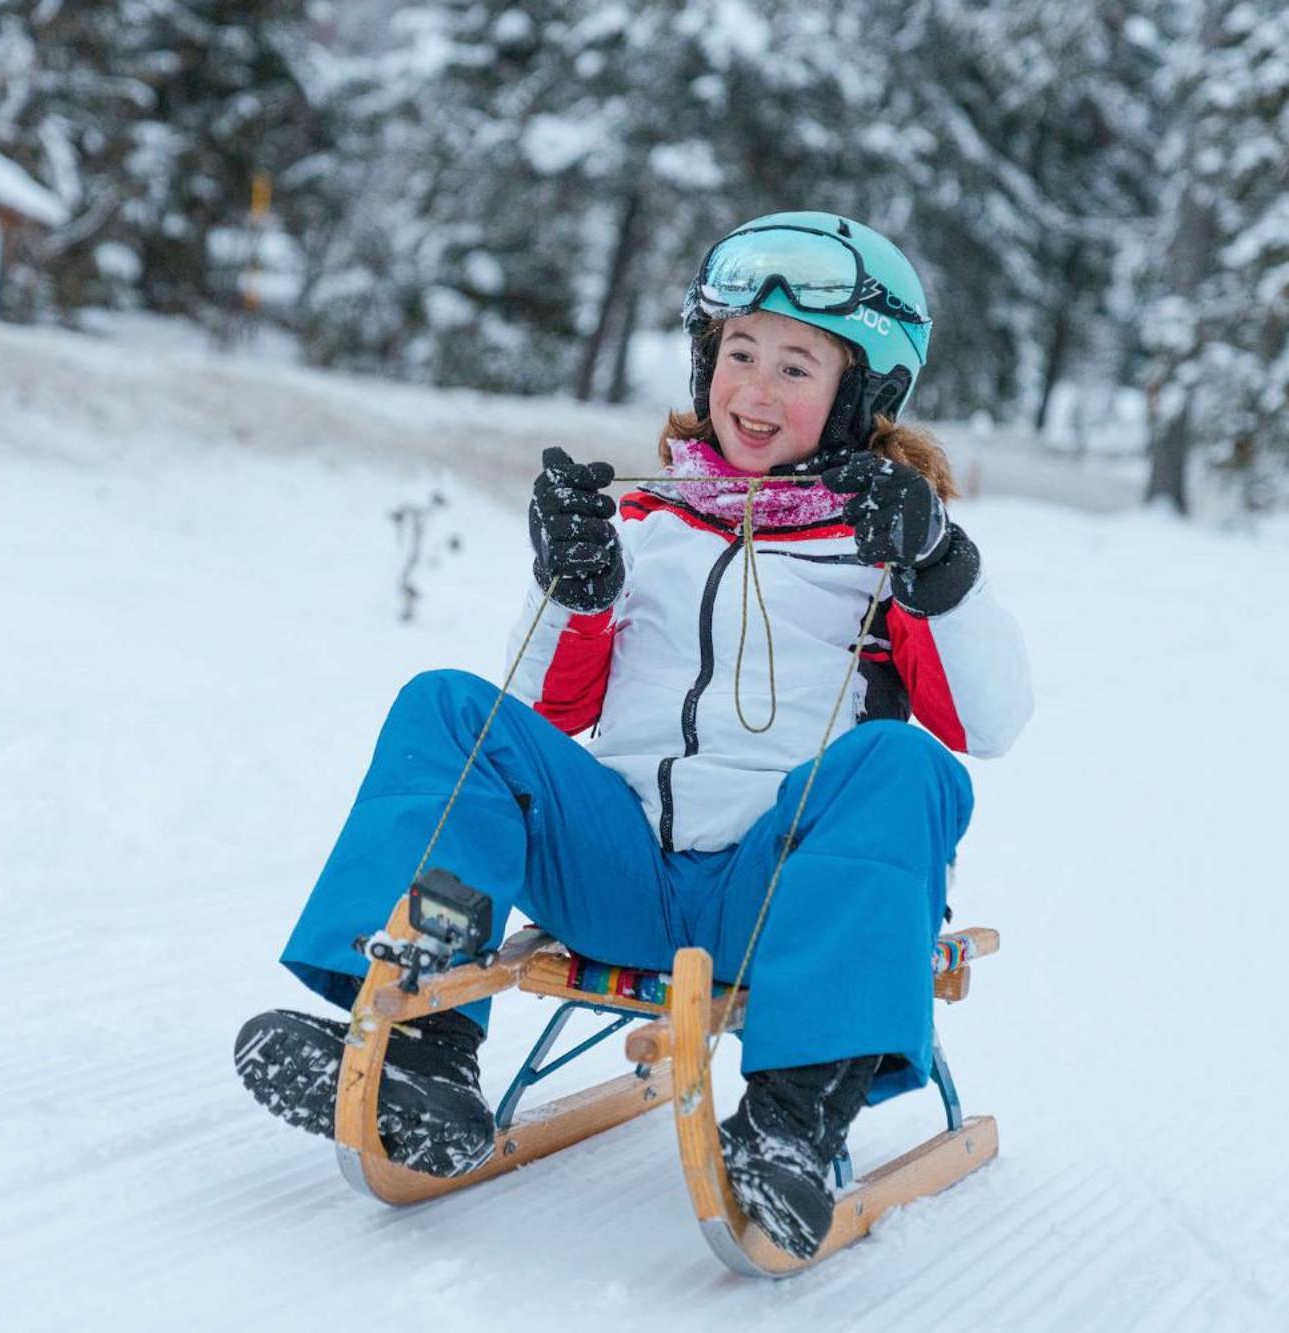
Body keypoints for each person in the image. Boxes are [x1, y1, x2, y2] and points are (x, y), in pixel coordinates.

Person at [235, 211, 1034, 1259]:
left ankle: (792, 1122)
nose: (754, 386)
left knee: (902, 764)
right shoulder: (654, 518)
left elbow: (990, 721)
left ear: (864, 397)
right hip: (613, 876)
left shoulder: (885, 545)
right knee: (448, 707)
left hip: (772, 900)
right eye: (736, 351)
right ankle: (419, 1047)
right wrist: (574, 590)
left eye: (795, 365)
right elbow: (533, 719)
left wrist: (937, 566)